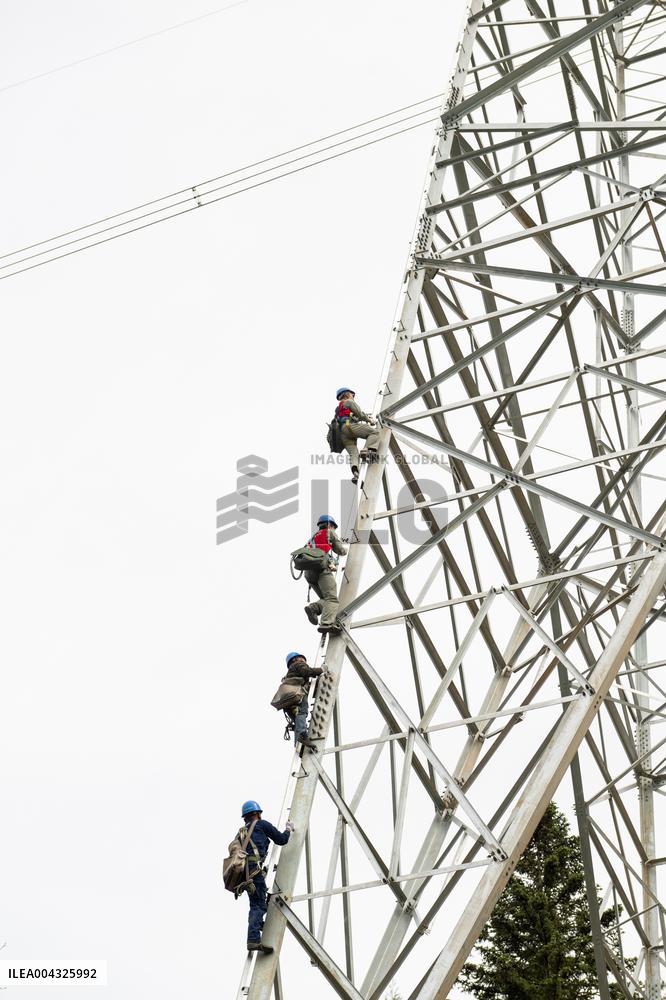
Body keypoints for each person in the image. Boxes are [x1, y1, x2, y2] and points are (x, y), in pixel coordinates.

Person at [238, 800, 294, 953]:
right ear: (257, 813)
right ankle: (253, 939)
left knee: (255, 904)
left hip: (245, 875)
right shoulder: (262, 825)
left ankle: (258, 926)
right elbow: (281, 840)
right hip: (255, 873)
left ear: (245, 817)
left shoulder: (241, 832)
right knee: (258, 905)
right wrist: (288, 830)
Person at [303, 514, 348, 634]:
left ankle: (314, 608)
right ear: (329, 524)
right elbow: (341, 551)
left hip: (309, 572)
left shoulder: (313, 538)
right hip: (321, 569)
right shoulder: (330, 533)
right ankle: (326, 624)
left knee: (325, 598)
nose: (334, 529)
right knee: (332, 599)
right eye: (333, 526)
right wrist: (346, 548)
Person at [335, 387, 380, 484]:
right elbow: (360, 414)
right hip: (349, 427)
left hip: (343, 434)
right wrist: (370, 420)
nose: (353, 396)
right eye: (352, 394)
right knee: (374, 433)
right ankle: (368, 450)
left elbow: (351, 416)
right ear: (347, 394)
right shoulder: (349, 402)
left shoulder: (339, 408)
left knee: (353, 454)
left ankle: (355, 473)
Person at [284, 651, 323, 750]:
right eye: (301, 658)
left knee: (298, 721)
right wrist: (321, 670)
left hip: (286, 700)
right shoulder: (298, 664)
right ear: (295, 659)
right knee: (302, 713)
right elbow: (307, 671)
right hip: (295, 695)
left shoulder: (291, 674)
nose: (304, 661)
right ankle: (301, 736)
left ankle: (299, 745)